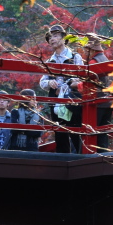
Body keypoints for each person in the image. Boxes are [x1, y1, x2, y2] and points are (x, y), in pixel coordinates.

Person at [39, 24, 83, 153]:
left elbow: (82, 79)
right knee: (59, 130)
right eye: (50, 37)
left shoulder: (75, 57)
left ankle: (80, 156)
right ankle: (63, 158)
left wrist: (68, 83)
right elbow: (42, 82)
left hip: (71, 99)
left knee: (75, 129)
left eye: (56, 36)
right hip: (56, 100)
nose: (52, 39)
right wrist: (49, 82)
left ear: (64, 38)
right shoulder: (49, 61)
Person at [83, 33, 113, 151]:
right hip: (108, 101)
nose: (84, 51)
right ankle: (104, 159)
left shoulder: (93, 62)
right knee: (103, 134)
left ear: (90, 49)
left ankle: (92, 159)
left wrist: (75, 85)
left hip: (97, 103)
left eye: (85, 48)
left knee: (92, 134)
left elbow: (87, 84)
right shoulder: (105, 59)